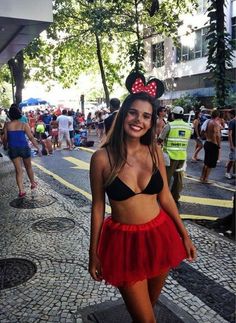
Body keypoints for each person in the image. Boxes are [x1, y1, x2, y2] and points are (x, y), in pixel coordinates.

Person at [89, 74, 196, 323]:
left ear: (152, 121)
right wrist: (92, 252)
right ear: (123, 114)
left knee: (150, 305)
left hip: (160, 237)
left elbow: (166, 197)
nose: (139, 120)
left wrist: (184, 235)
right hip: (123, 245)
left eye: (146, 116)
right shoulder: (102, 159)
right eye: (133, 113)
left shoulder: (154, 150)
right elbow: (97, 207)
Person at [3, 105, 41, 198]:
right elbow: (31, 137)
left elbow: (5, 138)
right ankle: (32, 183)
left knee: (18, 171)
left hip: (13, 149)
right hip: (24, 148)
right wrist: (38, 148)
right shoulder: (24, 124)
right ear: (19, 114)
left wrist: (5, 146)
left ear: (10, 115)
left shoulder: (7, 125)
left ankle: (21, 191)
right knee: (28, 167)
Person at [158, 106, 192, 207]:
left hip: (170, 157)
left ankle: (164, 199)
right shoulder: (188, 126)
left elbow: (160, 139)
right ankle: (175, 198)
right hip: (182, 157)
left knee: (166, 178)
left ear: (173, 115)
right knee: (178, 179)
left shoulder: (170, 125)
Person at [200, 109, 221, 183]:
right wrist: (219, 144)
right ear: (218, 116)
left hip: (207, 142)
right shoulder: (216, 123)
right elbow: (217, 135)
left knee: (206, 162)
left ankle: (202, 177)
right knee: (210, 163)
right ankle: (206, 179)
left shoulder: (208, 121)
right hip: (213, 144)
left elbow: (202, 131)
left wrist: (205, 136)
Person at [225, 109, 236, 179]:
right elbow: (229, 134)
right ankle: (227, 172)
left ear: (232, 114)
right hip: (234, 144)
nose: (229, 116)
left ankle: (234, 173)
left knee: (235, 160)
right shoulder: (232, 122)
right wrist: (231, 145)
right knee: (232, 159)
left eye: (229, 114)